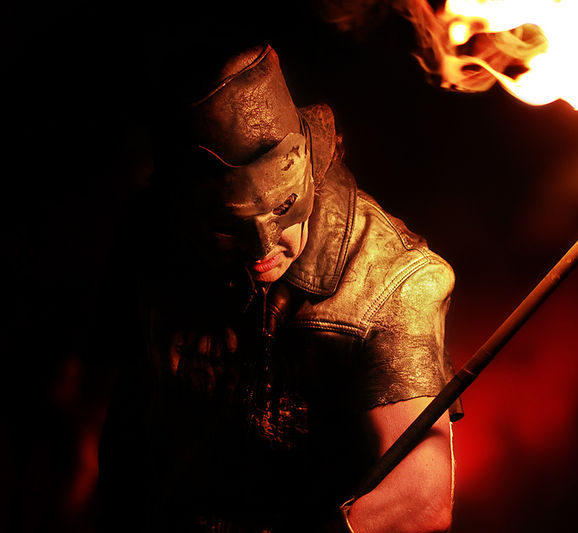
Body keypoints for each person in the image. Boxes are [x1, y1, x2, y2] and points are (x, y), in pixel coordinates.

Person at [98, 39, 461, 533]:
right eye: (230, 225)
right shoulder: (155, 238)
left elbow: (419, 500)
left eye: (282, 207)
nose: (263, 246)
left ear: (309, 165)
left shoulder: (394, 280)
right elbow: (115, 429)